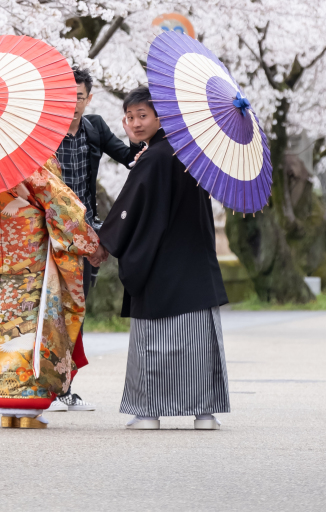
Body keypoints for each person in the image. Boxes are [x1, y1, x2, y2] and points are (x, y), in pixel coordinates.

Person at [97, 86, 230, 430]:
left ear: (160, 117)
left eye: (143, 116)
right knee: (201, 341)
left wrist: (104, 242)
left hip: (160, 264)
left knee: (155, 342)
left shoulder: (155, 158)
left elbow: (130, 208)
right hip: (195, 262)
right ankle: (205, 413)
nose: (136, 123)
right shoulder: (189, 151)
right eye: (129, 117)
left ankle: (148, 412)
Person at [0, 157, 101, 429]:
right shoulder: (28, 158)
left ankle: (4, 408)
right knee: (29, 326)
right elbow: (61, 206)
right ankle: (29, 410)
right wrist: (90, 243)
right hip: (29, 258)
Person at [51, 65, 142, 411]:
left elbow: (129, 158)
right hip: (50, 236)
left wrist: (146, 144)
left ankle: (65, 386)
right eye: (66, 96)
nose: (72, 103)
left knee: (76, 312)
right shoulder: (43, 132)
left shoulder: (95, 128)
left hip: (86, 233)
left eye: (78, 96)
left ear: (88, 98)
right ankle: (40, 384)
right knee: (48, 310)